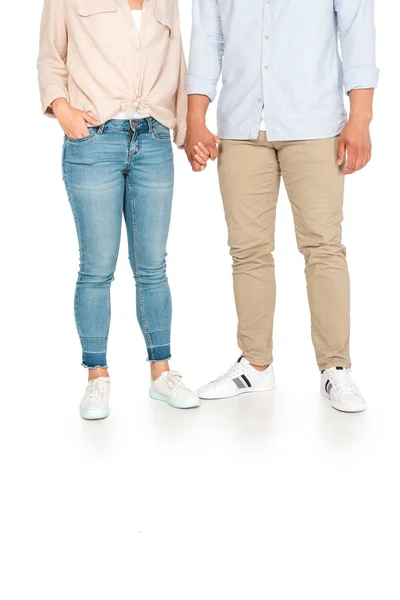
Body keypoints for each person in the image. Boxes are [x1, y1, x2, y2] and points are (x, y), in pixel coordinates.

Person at [185, 0, 378, 413]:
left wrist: (360, 118)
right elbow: (208, 37)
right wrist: (195, 117)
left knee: (323, 246)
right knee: (247, 250)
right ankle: (255, 365)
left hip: (314, 122)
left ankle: (336, 368)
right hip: (240, 123)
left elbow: (357, 31)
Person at [38, 0, 199, 419]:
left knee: (153, 267)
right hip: (94, 140)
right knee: (96, 267)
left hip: (153, 139)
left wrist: (185, 132)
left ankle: (161, 373)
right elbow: (50, 55)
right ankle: (97, 376)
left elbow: (177, 64)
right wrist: (62, 110)